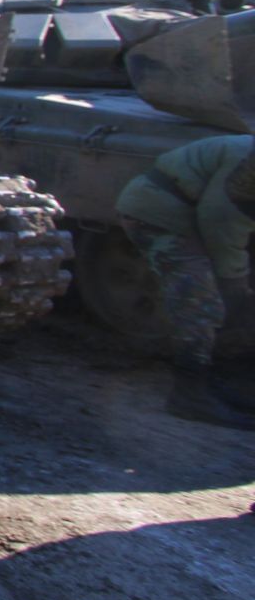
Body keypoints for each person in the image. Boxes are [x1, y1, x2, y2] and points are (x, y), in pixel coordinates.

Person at [115, 133, 255, 430]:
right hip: (159, 212)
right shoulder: (247, 164)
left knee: (230, 296)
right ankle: (189, 394)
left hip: (200, 212)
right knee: (201, 301)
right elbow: (220, 220)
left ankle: (220, 380)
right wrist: (234, 282)